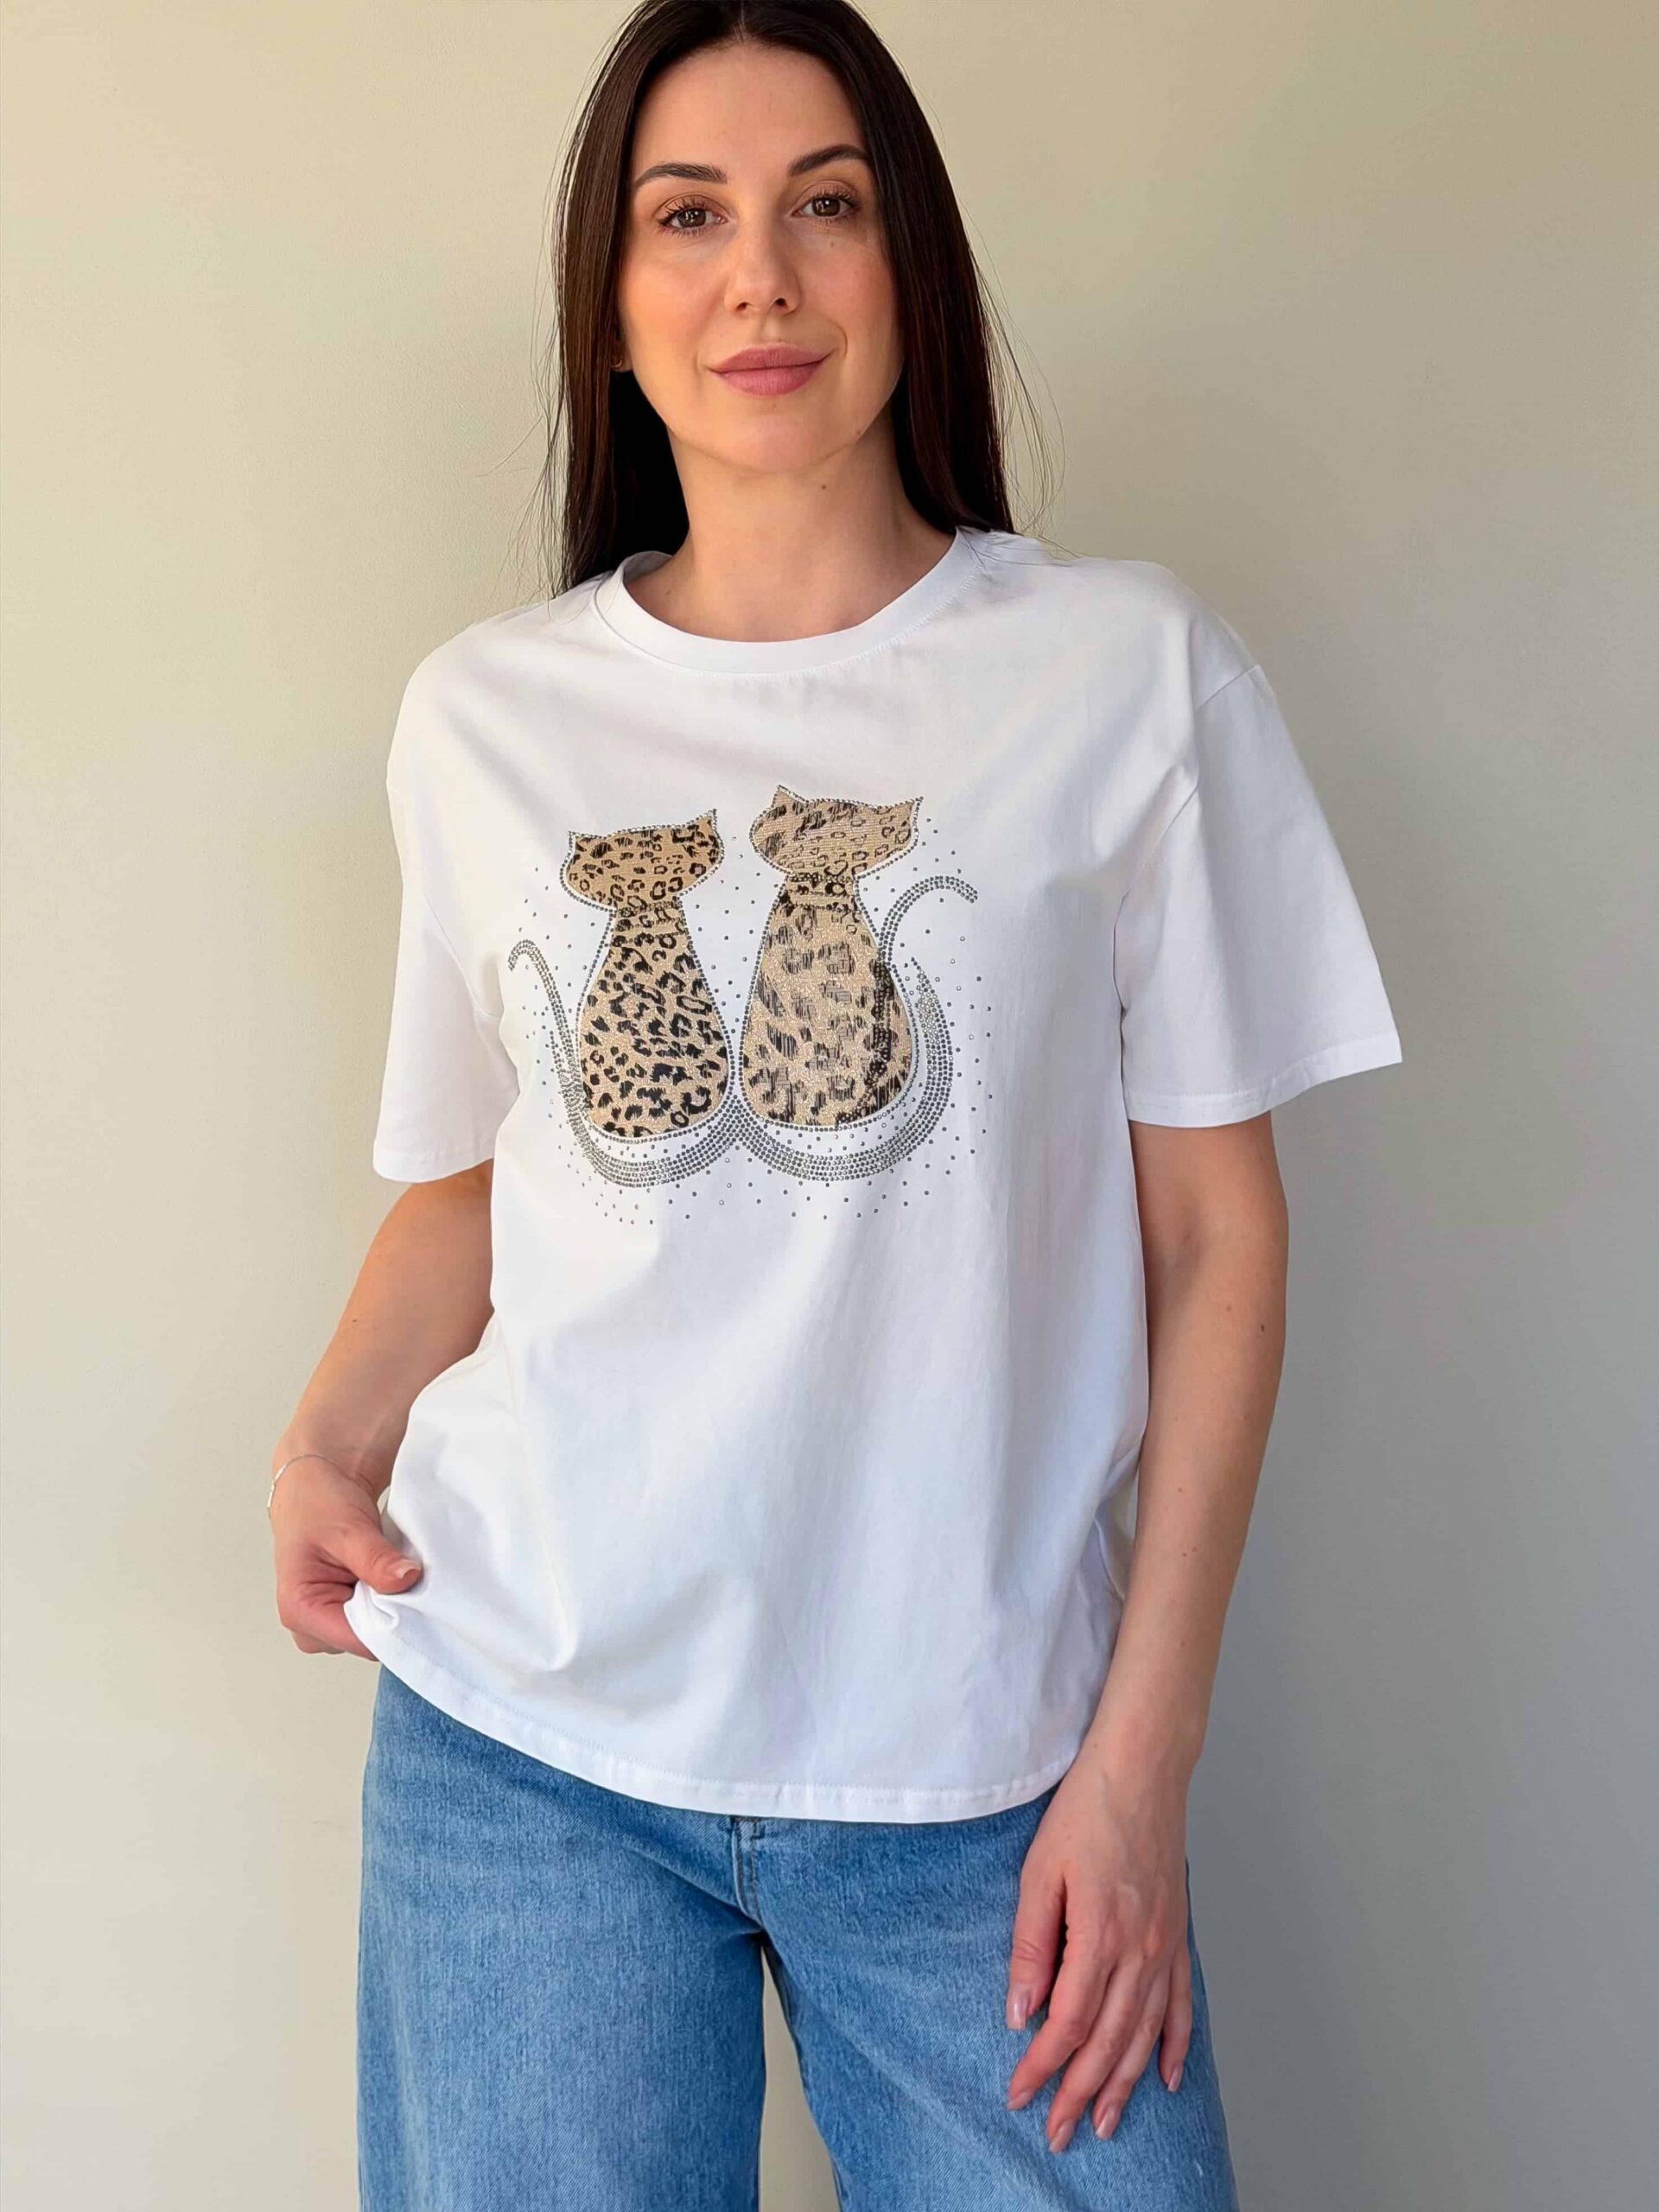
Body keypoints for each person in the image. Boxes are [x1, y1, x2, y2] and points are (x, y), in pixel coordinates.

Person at [267, 2, 1403, 2203]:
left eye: (828, 205)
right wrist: (329, 1436)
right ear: (610, 304)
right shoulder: (486, 716)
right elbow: (478, 1190)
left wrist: (1139, 1760)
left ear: (913, 265)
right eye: (687, 218)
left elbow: (1216, 1239)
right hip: (529, 1746)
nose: (761, 279)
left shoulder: (1123, 671)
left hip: (988, 1768)